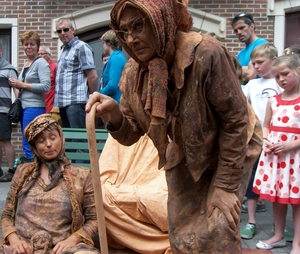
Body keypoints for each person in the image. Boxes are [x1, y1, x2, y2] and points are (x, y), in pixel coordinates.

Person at [86, 0, 263, 253]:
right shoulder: (134, 72)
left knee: (218, 223)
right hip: (185, 147)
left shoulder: (206, 53)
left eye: (138, 26)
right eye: (124, 31)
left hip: (232, 143)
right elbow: (131, 134)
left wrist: (224, 186)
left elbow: (235, 122)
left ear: (161, 20)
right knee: (181, 227)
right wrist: (114, 113)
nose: (132, 39)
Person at [0, 114, 99, 254]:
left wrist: (72, 240)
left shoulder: (82, 175)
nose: (48, 144)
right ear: (34, 146)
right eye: (41, 141)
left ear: (61, 138)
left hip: (63, 248)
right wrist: (14, 240)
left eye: (53, 138)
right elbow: (7, 214)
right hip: (22, 248)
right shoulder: (22, 172)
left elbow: (94, 219)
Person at [253, 54, 300, 253]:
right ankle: (279, 235)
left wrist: (291, 145)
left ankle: (297, 242)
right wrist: (266, 140)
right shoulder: (274, 100)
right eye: (277, 76)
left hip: (295, 157)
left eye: (285, 74)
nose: (281, 79)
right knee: (278, 198)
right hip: (276, 157)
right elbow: (265, 125)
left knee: (297, 202)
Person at [99, 134, 171, 253]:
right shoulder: (122, 129)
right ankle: (161, 243)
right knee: (99, 195)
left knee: (165, 203)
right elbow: (102, 178)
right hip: (122, 192)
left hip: (161, 190)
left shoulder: (175, 127)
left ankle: (165, 242)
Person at [240, 43, 282, 239]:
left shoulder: (280, 84)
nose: (256, 66)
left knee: (278, 184)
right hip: (257, 140)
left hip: (278, 140)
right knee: (252, 182)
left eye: (260, 62)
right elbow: (239, 102)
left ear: (274, 60)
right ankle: (251, 221)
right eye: (253, 63)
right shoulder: (252, 85)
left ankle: (278, 227)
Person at [8, 31, 50, 164]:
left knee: (31, 140)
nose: (28, 47)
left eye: (32, 44)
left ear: (37, 46)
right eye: (26, 44)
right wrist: (16, 86)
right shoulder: (27, 64)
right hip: (25, 107)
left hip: (35, 108)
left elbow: (46, 86)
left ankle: (34, 170)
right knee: (27, 140)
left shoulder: (41, 63)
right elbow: (22, 87)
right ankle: (32, 170)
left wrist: (21, 84)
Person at [55, 18, 98, 128]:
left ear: (72, 30)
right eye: (59, 31)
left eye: (65, 29)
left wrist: (92, 99)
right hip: (63, 103)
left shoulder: (81, 47)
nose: (62, 33)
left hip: (76, 102)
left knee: (79, 142)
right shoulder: (64, 50)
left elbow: (92, 76)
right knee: (70, 141)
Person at [231, 13, 268, 83]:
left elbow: (250, 74)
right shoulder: (241, 53)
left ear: (252, 26)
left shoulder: (262, 45)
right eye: (236, 30)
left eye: (242, 28)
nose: (238, 32)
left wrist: (233, 70)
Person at [0, 42, 18, 180]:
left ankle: (11, 171)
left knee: (5, 140)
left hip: (3, 110)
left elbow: (16, 88)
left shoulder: (9, 69)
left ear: (1, 51)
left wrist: (17, 104)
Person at [99, 30, 126, 104]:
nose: (103, 46)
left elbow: (112, 85)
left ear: (109, 43)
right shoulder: (115, 57)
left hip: (118, 102)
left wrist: (98, 94)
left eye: (103, 43)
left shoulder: (115, 58)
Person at [38, 45, 62, 127]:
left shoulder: (54, 67)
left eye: (42, 54)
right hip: (40, 105)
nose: (40, 56)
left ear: (49, 55)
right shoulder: (37, 67)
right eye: (38, 54)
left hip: (52, 107)